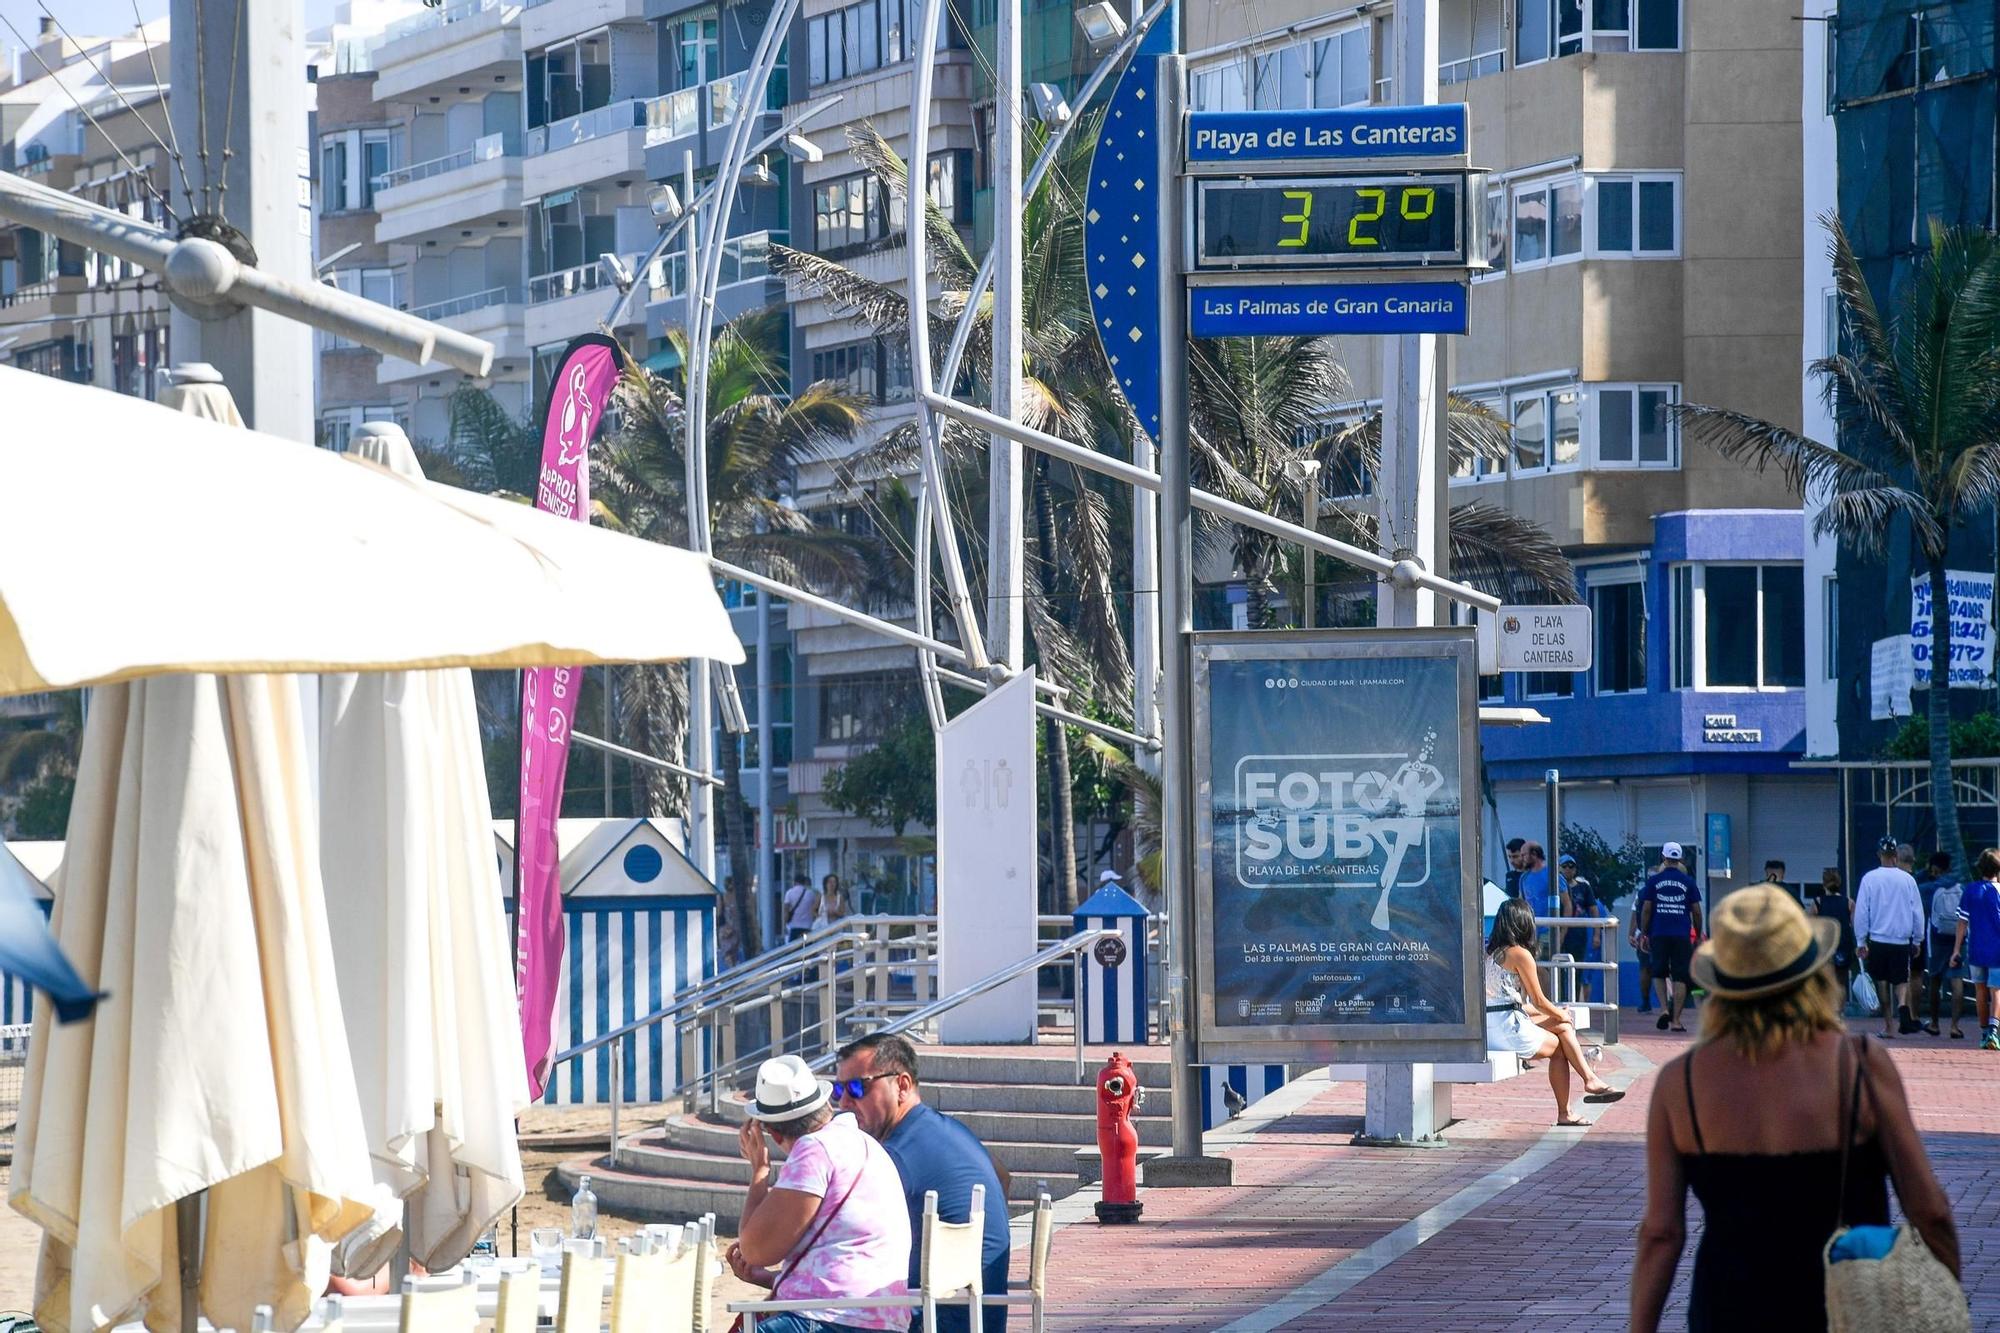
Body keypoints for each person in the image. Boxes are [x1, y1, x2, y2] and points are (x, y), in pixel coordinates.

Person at [1631, 886, 1959, 1333]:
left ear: (1721, 985)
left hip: (1727, 1310)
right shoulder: (1859, 1065)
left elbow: (1662, 1233)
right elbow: (1929, 1208)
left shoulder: (1680, 1083)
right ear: (1812, 972)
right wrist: (1948, 1300)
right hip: (1850, 1308)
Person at [833, 1033, 1011, 1331]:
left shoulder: (891, 1157)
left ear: (902, 1085)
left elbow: (837, 1242)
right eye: (839, 1089)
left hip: (928, 1319)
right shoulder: (951, 1131)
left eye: (857, 1087)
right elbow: (1003, 1178)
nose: (844, 1102)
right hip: (979, 1316)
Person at [730, 1054, 912, 1333]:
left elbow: (754, 1249)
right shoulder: (864, 1144)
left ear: (774, 1133)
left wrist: (759, 1171)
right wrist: (770, 1279)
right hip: (880, 1316)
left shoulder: (815, 1149)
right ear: (823, 1105)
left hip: (836, 1320)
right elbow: (845, 1254)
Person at [1484, 899, 1623, 1123]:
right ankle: (1580, 1092)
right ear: (1524, 923)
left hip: (1492, 1028)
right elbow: (1538, 1001)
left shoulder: (1489, 954)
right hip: (1508, 1029)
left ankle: (1587, 1083)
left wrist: (1555, 1014)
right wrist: (1560, 1014)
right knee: (1561, 1042)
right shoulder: (1519, 953)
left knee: (1562, 1027)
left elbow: (1513, 1005)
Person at [1855, 835, 1926, 1038]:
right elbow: (1917, 912)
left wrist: (1861, 940)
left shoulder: (1869, 879)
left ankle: (1888, 1025)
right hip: (1901, 939)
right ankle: (1903, 1007)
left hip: (1878, 939)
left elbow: (1862, 911)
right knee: (1901, 980)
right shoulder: (1908, 880)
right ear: (1896, 855)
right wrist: (1917, 939)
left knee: (1882, 981)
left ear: (1879, 855)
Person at [1638, 843, 1702, 1032]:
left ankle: (1664, 1009)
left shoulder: (1654, 881)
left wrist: (1644, 932)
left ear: (1664, 858)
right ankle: (1676, 1020)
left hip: (1659, 933)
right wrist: (1698, 934)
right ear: (1680, 859)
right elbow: (1697, 912)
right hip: (1681, 934)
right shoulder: (1688, 882)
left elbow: (1647, 909)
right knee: (1680, 976)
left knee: (1659, 972)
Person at [1951, 849, 2000, 1049]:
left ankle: (1983, 1032)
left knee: (1980, 990)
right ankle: (1994, 1031)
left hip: (1976, 949)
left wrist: (1956, 949)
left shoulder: (1970, 890)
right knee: (1996, 990)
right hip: (1997, 950)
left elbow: (1962, 922)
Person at [1922, 854, 1967, 1037]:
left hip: (1937, 938)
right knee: (1957, 982)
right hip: (1958, 937)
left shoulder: (1932, 888)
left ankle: (1934, 1023)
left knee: (1935, 980)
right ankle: (1955, 1026)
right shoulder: (1961, 887)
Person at [1557, 855, 1601, 1000]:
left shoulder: (1584, 888)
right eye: (1565, 866)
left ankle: (1574, 1001)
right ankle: (1558, 1000)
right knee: (1556, 969)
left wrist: (1596, 934)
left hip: (1577, 934)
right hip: (1558, 932)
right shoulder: (1554, 887)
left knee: (1576, 970)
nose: (1568, 869)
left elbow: (1594, 910)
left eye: (1571, 866)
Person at [1811, 868, 1855, 1007]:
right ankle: (1840, 1013)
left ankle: (1827, 1011)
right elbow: (1854, 925)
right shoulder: (1848, 902)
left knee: (1825, 981)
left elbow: (1810, 925)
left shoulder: (1818, 902)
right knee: (1841, 982)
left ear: (1824, 884)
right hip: (1843, 944)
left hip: (1825, 946)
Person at [784, 873, 821, 942]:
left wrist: (785, 924)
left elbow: (786, 910)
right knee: (808, 948)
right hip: (808, 925)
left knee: (793, 949)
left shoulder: (789, 893)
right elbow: (815, 908)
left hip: (793, 926)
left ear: (794, 881)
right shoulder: (810, 893)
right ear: (804, 882)